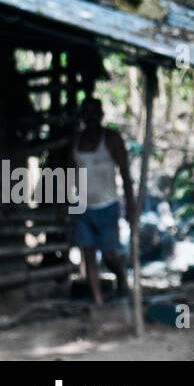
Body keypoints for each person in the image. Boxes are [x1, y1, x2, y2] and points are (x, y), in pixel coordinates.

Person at [68, 98, 133, 305]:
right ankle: (98, 302)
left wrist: (130, 205)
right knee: (88, 254)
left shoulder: (112, 139)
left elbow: (124, 172)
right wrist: (63, 205)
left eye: (94, 111)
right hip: (82, 207)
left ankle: (121, 278)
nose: (90, 116)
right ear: (82, 116)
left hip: (108, 206)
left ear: (101, 114)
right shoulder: (76, 141)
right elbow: (68, 174)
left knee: (108, 255)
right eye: (86, 112)